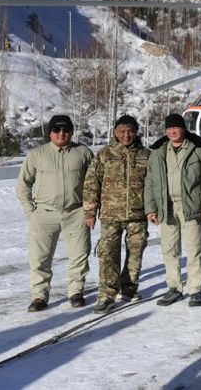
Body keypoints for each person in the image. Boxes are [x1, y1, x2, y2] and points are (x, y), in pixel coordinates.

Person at [16, 115, 94, 312]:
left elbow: (94, 182)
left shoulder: (82, 152)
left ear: (71, 132)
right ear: (50, 133)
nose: (61, 134)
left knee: (79, 255)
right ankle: (39, 296)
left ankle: (76, 292)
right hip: (44, 213)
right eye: (57, 130)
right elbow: (23, 184)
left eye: (65, 130)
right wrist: (31, 212)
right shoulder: (37, 154)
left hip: (76, 212)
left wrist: (90, 209)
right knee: (39, 258)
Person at [145, 113, 201, 308]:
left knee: (194, 249)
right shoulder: (159, 150)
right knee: (170, 250)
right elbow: (150, 181)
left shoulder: (199, 148)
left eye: (175, 128)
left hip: (191, 205)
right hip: (166, 206)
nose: (172, 131)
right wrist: (151, 208)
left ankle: (195, 290)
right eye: (169, 129)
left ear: (183, 129)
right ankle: (174, 288)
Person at [83, 115, 151, 314]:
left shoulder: (146, 155)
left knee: (135, 255)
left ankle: (129, 288)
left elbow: (154, 185)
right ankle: (106, 295)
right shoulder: (105, 155)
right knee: (108, 255)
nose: (126, 135)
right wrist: (90, 211)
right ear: (115, 132)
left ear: (136, 132)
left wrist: (153, 209)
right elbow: (91, 184)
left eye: (130, 131)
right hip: (111, 215)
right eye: (122, 131)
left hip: (138, 215)